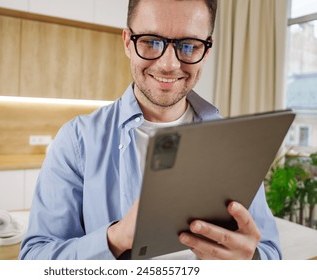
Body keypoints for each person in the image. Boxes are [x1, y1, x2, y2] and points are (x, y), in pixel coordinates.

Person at [19, 0, 281, 260]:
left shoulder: (232, 144)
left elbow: (270, 252)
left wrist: (252, 261)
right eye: (150, 41)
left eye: (188, 46)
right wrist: (117, 238)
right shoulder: (77, 140)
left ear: (207, 50)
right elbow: (34, 258)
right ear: (127, 42)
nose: (169, 64)